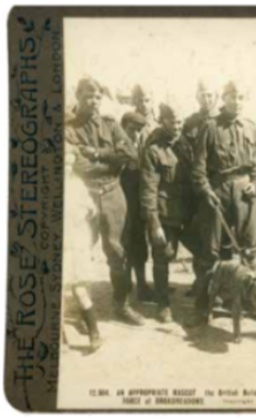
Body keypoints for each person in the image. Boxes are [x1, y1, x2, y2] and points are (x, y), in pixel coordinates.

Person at [65, 77, 143, 325]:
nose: (94, 101)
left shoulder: (110, 124)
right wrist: (109, 160)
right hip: (83, 196)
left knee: (118, 252)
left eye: (98, 96)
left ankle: (121, 304)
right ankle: (83, 305)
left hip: (112, 194)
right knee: (80, 252)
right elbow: (80, 165)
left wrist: (97, 153)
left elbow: (130, 154)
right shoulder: (68, 127)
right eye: (89, 95)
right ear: (78, 96)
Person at [188, 79, 256, 326]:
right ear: (224, 98)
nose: (237, 101)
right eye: (232, 97)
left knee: (249, 249)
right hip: (218, 190)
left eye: (241, 97)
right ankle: (203, 304)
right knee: (210, 251)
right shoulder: (209, 127)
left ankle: (252, 301)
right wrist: (206, 190)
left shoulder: (251, 128)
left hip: (245, 192)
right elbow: (198, 168)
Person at [140, 103, 196, 323]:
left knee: (204, 251)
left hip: (188, 213)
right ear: (162, 121)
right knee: (163, 256)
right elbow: (148, 191)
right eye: (172, 121)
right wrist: (154, 224)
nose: (177, 126)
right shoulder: (153, 150)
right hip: (166, 214)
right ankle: (163, 304)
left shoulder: (186, 145)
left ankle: (204, 298)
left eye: (180, 121)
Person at [181, 79, 220, 297]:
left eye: (211, 95)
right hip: (195, 188)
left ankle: (219, 285)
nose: (207, 99)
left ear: (217, 97)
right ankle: (201, 281)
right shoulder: (190, 123)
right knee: (198, 237)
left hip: (217, 188)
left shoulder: (222, 121)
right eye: (203, 94)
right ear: (197, 96)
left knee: (217, 240)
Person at [63, 145, 103, 351]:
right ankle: (60, 339)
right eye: (63, 165)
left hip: (75, 241)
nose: (67, 169)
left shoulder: (77, 184)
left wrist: (84, 214)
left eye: (70, 165)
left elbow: (92, 209)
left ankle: (94, 333)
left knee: (79, 290)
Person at [120, 111, 154, 302]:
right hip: (121, 204)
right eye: (132, 129)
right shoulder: (116, 147)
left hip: (138, 203)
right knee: (123, 245)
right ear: (123, 128)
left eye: (139, 131)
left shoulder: (143, 148)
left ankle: (142, 287)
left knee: (140, 245)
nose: (135, 134)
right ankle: (123, 289)